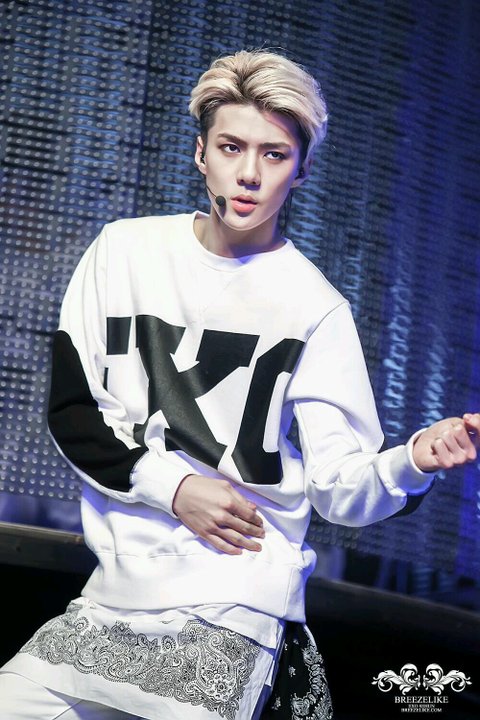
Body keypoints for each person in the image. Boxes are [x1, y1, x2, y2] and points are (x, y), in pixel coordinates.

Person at [0, 48, 478, 720]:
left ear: (301, 169)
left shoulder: (315, 308)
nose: (250, 173)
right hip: (110, 601)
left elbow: (338, 489)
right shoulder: (123, 251)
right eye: (231, 147)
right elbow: (75, 412)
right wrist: (175, 489)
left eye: (275, 155)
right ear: (201, 154)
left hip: (233, 601)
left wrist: (413, 460)